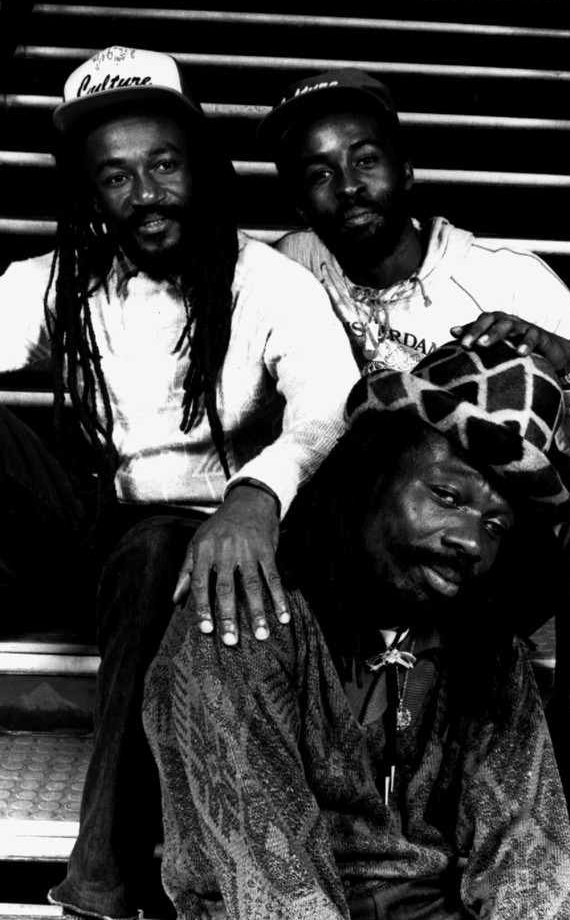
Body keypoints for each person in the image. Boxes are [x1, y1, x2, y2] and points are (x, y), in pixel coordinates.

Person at [0, 45, 360, 920]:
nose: (146, 192)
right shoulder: (57, 282)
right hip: (91, 536)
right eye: (116, 176)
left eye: (163, 164)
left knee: (160, 547)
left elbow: (329, 407)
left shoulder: (267, 283)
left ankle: (103, 870)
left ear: (198, 165)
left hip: (211, 546)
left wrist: (256, 494)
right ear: (90, 191)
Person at [254, 68, 570, 851]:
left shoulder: (503, 275)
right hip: (354, 562)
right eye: (319, 173)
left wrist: (565, 362)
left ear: (406, 170)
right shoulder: (281, 272)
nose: (348, 186)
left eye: (365, 160)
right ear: (296, 199)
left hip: (486, 551)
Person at [143, 339, 570, 920]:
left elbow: (530, 858)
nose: (471, 542)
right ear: (374, 474)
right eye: (446, 495)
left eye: (496, 526)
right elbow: (277, 892)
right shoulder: (244, 619)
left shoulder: (485, 644)